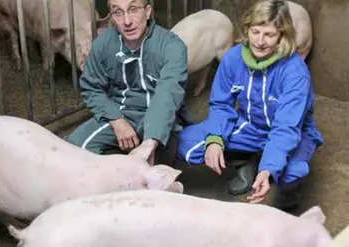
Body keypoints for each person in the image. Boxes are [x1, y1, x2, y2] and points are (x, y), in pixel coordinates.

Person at [177, 0, 323, 211]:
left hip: (292, 131)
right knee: (184, 142)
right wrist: (215, 138)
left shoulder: (295, 72)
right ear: (247, 29)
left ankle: (287, 202)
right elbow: (221, 104)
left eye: (269, 34)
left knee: (292, 172)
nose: (260, 41)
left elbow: (286, 127)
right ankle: (243, 161)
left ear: (282, 35)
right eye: (255, 32)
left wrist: (268, 168)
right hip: (250, 125)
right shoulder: (233, 59)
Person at [65, 0, 188, 166]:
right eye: (118, 12)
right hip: (120, 112)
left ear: (148, 11)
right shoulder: (103, 44)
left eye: (133, 9)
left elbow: (167, 94)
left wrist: (150, 142)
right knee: (74, 150)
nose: (127, 21)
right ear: (111, 17)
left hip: (159, 119)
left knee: (150, 174)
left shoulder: (172, 45)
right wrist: (117, 121)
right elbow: (91, 88)